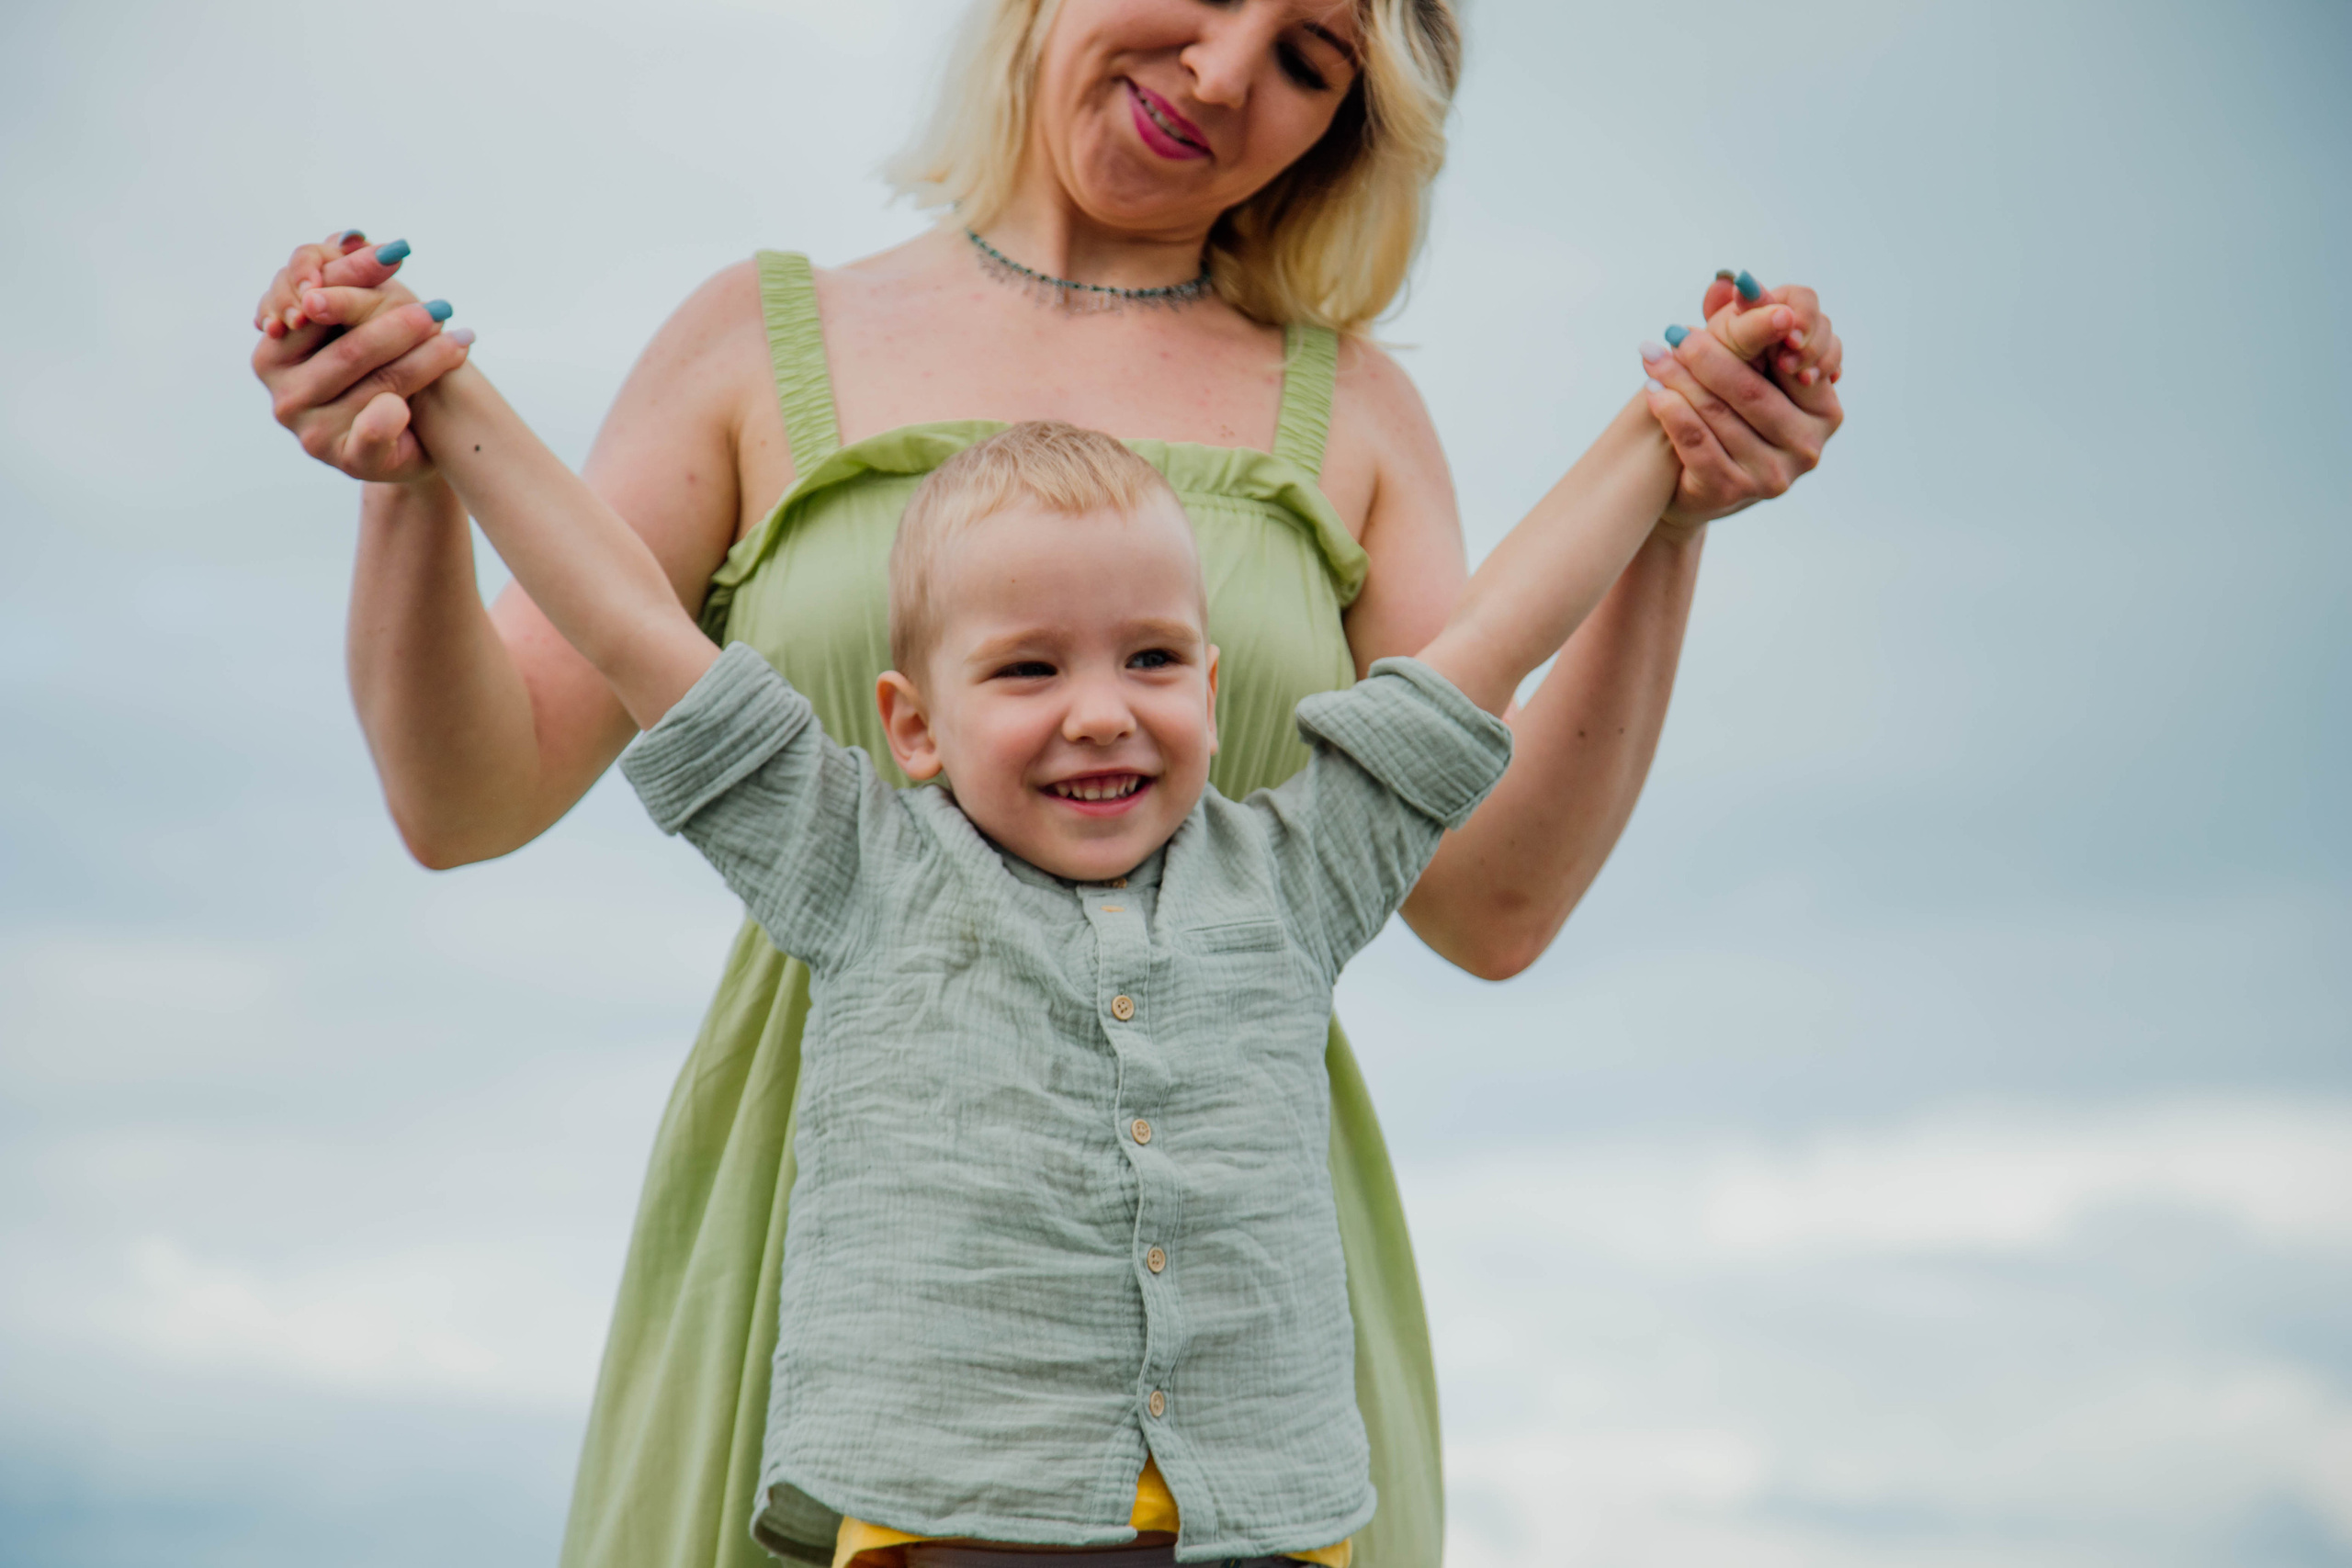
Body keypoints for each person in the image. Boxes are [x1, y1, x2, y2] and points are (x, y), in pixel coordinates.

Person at [248, 3, 1845, 1562]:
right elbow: (471, 800)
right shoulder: (755, 337)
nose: (1226, 73)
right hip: (832, 1261)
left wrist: (1676, 499)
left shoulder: (1351, 403)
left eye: (1311, 59)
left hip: (1239, 1308)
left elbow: (1492, 896)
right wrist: (409, 455)